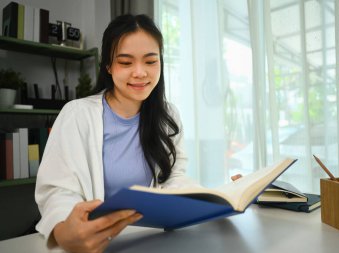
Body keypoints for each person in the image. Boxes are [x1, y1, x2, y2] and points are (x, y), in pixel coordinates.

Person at [35, 14, 241, 253]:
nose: (140, 72)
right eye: (125, 62)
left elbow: (173, 179)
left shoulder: (168, 116)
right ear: (109, 66)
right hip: (95, 244)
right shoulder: (77, 114)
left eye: (150, 61)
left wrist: (217, 198)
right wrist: (64, 233)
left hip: (149, 241)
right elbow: (57, 191)